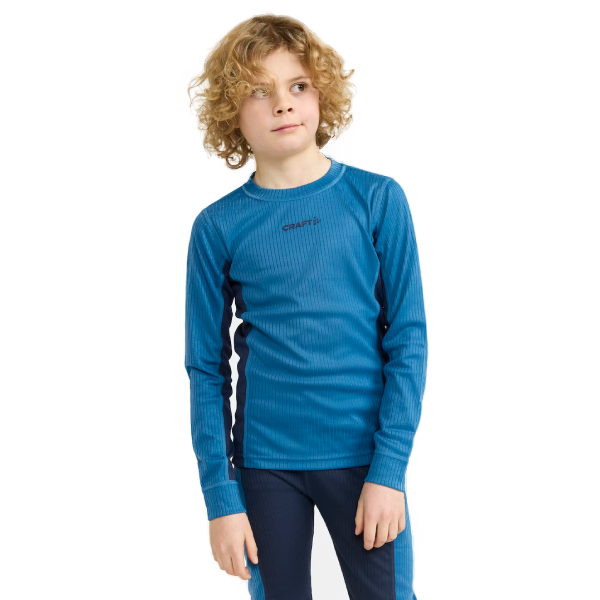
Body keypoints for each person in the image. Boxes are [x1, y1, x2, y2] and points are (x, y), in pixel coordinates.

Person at [184, 14, 428, 600]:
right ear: (231, 112)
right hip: (265, 467)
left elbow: (408, 341)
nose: (282, 104)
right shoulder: (218, 226)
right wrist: (221, 499)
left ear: (321, 93)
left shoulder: (376, 199)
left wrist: (389, 469)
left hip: (364, 459)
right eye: (258, 91)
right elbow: (205, 370)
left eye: (297, 85)